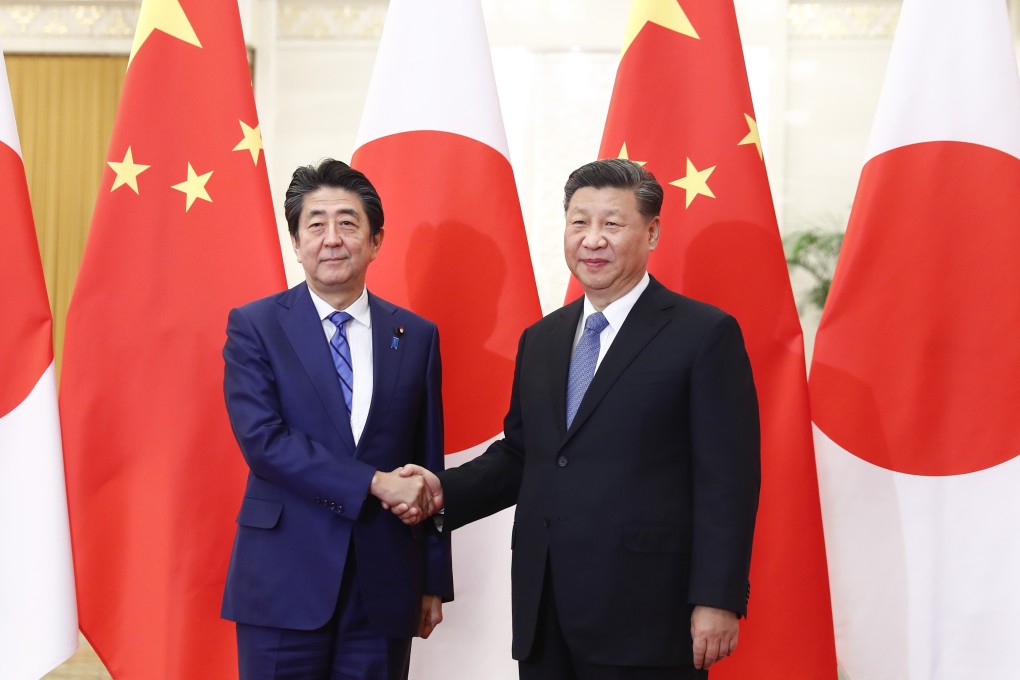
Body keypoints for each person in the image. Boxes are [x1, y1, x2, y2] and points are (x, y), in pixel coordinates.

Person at [397, 158, 760, 679]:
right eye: (578, 222)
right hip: (546, 612)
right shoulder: (542, 339)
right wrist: (438, 491)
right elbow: (525, 454)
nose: (592, 239)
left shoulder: (703, 335)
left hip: (649, 616)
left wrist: (717, 597)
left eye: (612, 224)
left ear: (652, 231)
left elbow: (729, 479)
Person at [220, 159, 453, 680]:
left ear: (375, 240)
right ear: (297, 243)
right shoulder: (256, 326)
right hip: (282, 581)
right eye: (316, 224)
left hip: (385, 584)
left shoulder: (415, 336)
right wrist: (373, 483)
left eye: (348, 223)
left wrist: (434, 577)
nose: (332, 239)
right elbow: (264, 442)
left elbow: (427, 463)